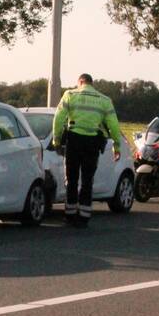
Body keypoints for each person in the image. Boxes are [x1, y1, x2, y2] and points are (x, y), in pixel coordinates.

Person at [52, 73, 121, 228]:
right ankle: (84, 217)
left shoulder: (70, 95)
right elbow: (114, 125)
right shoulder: (104, 100)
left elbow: (58, 118)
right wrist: (117, 146)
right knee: (87, 180)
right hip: (92, 142)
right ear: (91, 83)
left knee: (72, 178)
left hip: (74, 140)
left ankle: (70, 215)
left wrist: (57, 140)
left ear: (80, 82)